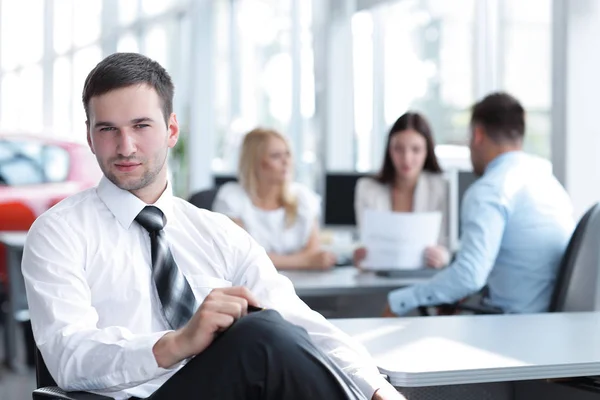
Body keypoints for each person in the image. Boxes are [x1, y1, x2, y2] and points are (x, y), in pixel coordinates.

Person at [21, 53, 402, 400]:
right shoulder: (58, 232)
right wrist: (178, 343)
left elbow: (299, 322)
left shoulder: (217, 231)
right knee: (260, 336)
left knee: (272, 324)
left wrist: (377, 390)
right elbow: (69, 354)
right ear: (89, 136)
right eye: (107, 129)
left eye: (141, 126)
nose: (125, 146)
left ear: (172, 130)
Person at [385, 92, 574, 316]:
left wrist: (401, 300)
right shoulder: (548, 182)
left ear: (477, 135)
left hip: (512, 325)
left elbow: (469, 276)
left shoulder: (490, 190)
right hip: (551, 323)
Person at [213, 128, 336, 270]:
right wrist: (305, 262)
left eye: (288, 154)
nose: (286, 161)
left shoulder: (303, 198)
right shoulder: (232, 199)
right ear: (255, 162)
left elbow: (314, 252)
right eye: (276, 156)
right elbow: (241, 257)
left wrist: (302, 260)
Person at [354, 112, 450, 269]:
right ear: (389, 150)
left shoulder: (441, 188)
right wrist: (362, 256)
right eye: (398, 149)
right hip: (379, 279)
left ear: (427, 151)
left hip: (426, 278)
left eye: (416, 150)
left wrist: (443, 256)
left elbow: (448, 246)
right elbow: (366, 242)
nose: (406, 158)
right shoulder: (367, 189)